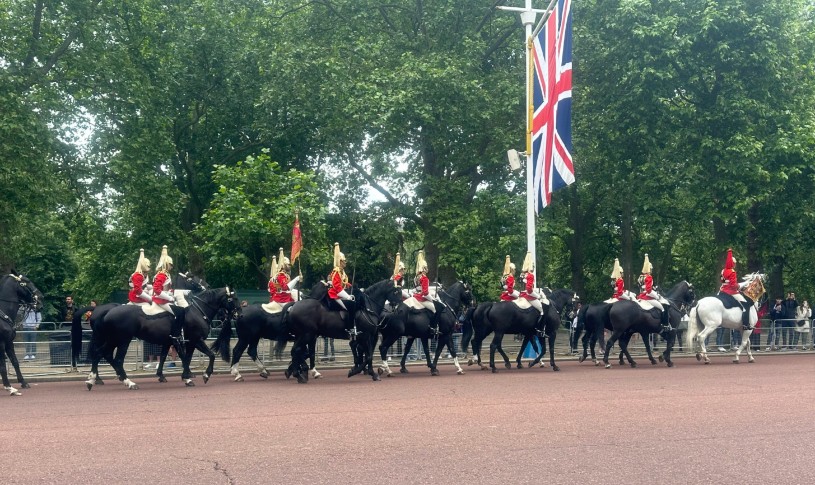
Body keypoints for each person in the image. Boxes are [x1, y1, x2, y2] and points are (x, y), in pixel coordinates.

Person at [152, 245, 184, 347]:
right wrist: (169, 297)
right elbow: (157, 290)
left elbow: (164, 289)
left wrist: (170, 293)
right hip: (160, 300)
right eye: (170, 264)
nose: (171, 266)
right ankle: (175, 334)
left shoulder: (164, 274)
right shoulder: (162, 274)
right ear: (166, 264)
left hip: (163, 298)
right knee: (178, 313)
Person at [719, 248, 750, 330]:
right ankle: (745, 324)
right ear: (733, 263)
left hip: (722, 291)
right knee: (746, 305)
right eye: (735, 264)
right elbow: (733, 286)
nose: (735, 265)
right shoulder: (732, 272)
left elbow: (722, 281)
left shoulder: (723, 271)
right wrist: (742, 285)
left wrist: (727, 284)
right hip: (731, 292)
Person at [637, 254, 669, 327]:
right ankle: (664, 324)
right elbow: (648, 291)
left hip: (640, 296)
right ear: (649, 269)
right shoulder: (649, 277)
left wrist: (653, 288)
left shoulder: (640, 277)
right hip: (647, 297)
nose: (651, 271)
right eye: (651, 269)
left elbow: (643, 287)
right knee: (662, 308)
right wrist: (657, 296)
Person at [413, 250, 439, 329]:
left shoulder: (416, 277)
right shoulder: (424, 278)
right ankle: (433, 327)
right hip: (422, 298)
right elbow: (425, 292)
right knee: (435, 309)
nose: (427, 269)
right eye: (426, 267)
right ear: (424, 268)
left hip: (416, 295)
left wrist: (434, 288)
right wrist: (433, 300)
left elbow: (419, 289)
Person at [327, 242, 354, 312]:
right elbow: (337, 286)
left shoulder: (342, 272)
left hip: (340, 291)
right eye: (344, 261)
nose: (345, 262)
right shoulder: (336, 271)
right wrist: (347, 297)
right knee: (346, 308)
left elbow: (344, 283)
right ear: (340, 262)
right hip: (335, 293)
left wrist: (352, 287)